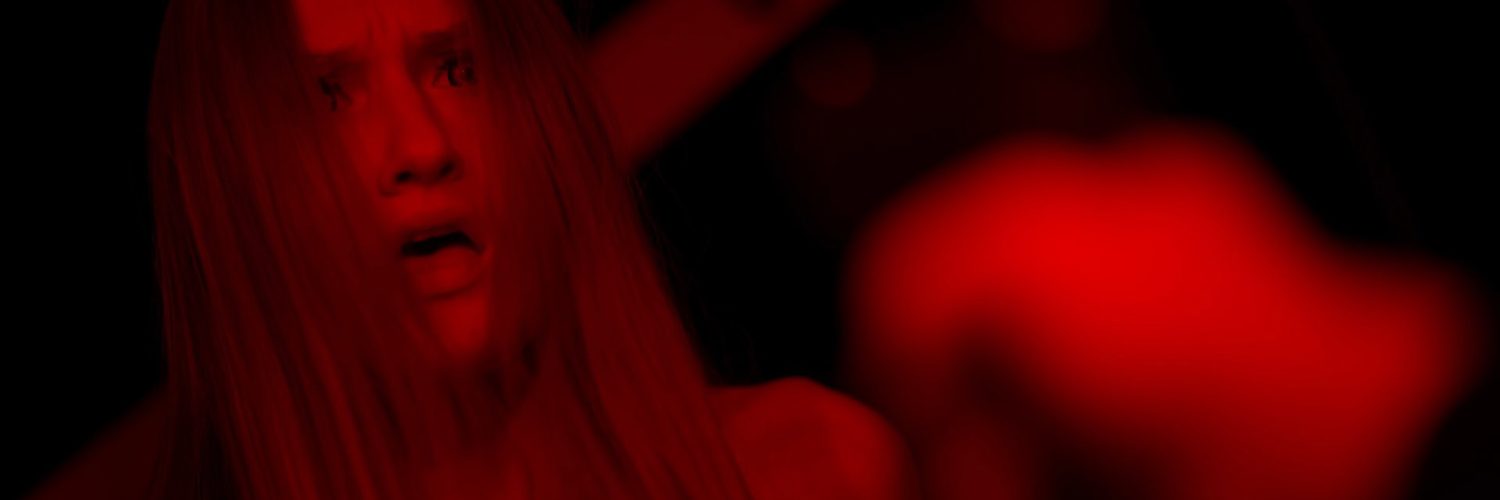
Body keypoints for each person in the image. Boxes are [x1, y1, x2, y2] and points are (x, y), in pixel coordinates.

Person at [32, 0, 913, 499]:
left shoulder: (809, 467)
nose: (421, 147)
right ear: (237, 189)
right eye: (329, 97)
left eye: (457, 70)